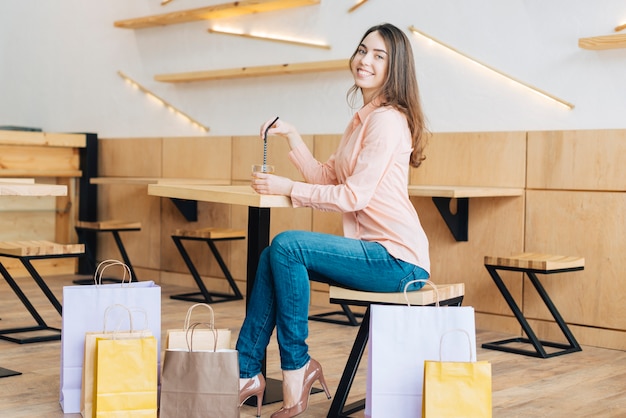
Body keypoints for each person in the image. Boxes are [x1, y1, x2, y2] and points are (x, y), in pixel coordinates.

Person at [237, 22, 431, 418]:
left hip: (397, 261)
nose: (365, 60)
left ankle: (296, 368)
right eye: (362, 50)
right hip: (374, 252)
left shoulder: (387, 121)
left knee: (287, 246)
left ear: (396, 68)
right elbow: (330, 177)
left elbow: (353, 196)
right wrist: (293, 137)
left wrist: (287, 186)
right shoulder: (364, 118)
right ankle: (246, 374)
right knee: (272, 254)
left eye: (379, 56)